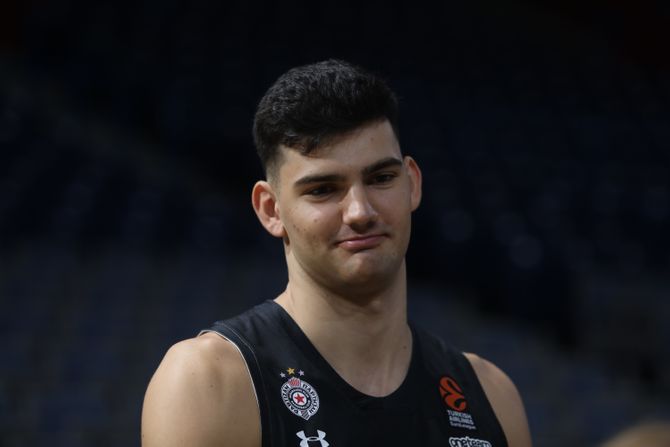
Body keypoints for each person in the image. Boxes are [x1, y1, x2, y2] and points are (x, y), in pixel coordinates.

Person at [141, 59, 532, 447]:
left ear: (412, 184)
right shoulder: (210, 383)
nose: (361, 212)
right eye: (323, 189)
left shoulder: (491, 395)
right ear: (271, 210)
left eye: (381, 179)